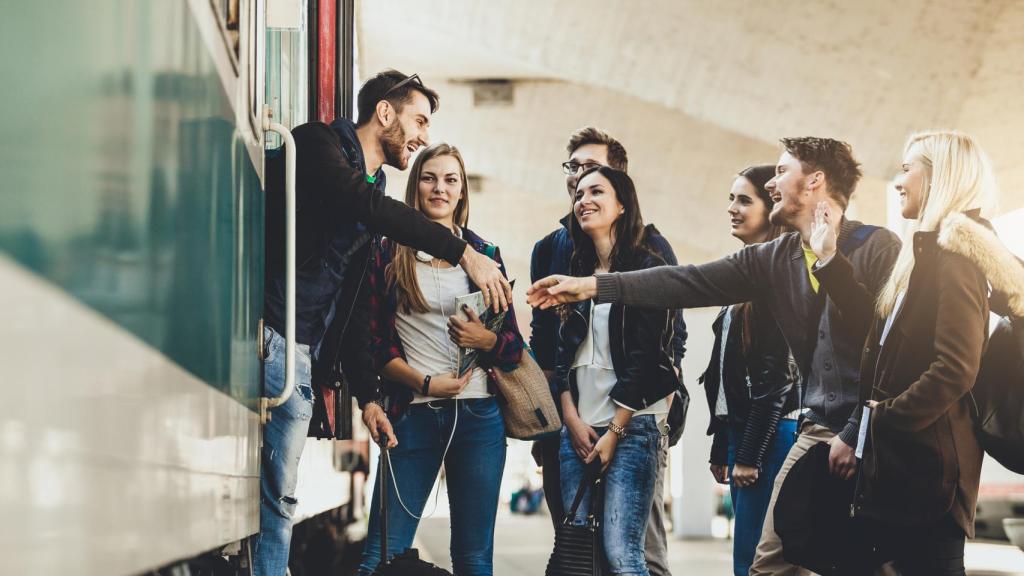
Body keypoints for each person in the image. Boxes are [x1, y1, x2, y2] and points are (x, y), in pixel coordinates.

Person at [526, 137, 902, 576]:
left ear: (815, 180)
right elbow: (687, 282)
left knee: (873, 562)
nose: (773, 182)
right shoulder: (774, 258)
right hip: (816, 430)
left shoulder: (879, 247)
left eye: (782, 171)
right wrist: (593, 286)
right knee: (769, 566)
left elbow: (888, 353)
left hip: (874, 432)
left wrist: (857, 430)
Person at [256, 70, 511, 576]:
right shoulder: (318, 144)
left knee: (280, 498)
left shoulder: (374, 186)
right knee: (282, 503)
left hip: (302, 357)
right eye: (418, 120)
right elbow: (366, 207)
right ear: (385, 112)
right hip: (270, 337)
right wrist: (462, 253)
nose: (421, 136)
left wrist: (367, 397)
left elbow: (348, 311)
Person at [810, 131, 1017, 575]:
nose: (898, 181)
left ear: (939, 176)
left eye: (908, 168)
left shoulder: (955, 256)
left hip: (930, 476)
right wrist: (829, 261)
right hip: (908, 470)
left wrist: (880, 419)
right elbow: (883, 337)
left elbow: (955, 369)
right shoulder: (925, 254)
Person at [356, 143, 523, 576]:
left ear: (463, 191)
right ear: (416, 186)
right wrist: (424, 383)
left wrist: (484, 339)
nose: (440, 188)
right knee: (381, 553)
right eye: (430, 178)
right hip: (413, 415)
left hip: (479, 417)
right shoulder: (389, 253)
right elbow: (375, 345)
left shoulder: (485, 256)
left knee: (473, 557)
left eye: (451, 180)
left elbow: (513, 348)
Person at [529, 127, 686, 576]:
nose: (583, 190)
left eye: (596, 182)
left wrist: (618, 430)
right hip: (576, 424)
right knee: (577, 553)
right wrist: (567, 421)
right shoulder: (563, 260)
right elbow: (552, 352)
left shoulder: (650, 259)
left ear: (623, 196)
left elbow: (660, 351)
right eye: (577, 179)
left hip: (632, 424)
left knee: (628, 553)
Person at [703, 165, 800, 576]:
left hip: (770, 436)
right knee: (748, 559)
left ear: (770, 209)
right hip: (747, 434)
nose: (732, 208)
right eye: (731, 199)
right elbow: (725, 376)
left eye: (744, 200)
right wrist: (722, 444)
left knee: (758, 563)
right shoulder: (745, 280)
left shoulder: (776, 282)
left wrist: (748, 453)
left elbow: (776, 380)